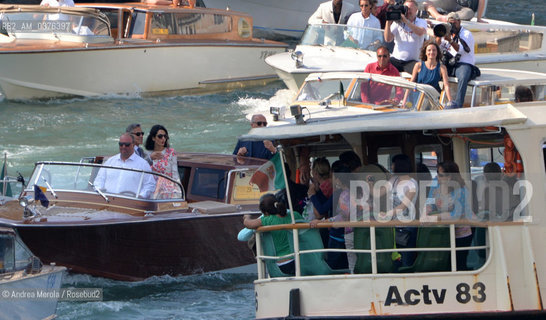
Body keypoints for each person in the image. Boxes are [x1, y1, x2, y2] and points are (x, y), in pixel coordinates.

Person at [425, 161, 473, 270]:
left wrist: (435, 217)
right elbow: (430, 201)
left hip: (460, 234)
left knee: (459, 264)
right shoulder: (435, 183)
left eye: (441, 175)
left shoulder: (461, 190)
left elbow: (456, 214)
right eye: (437, 173)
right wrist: (426, 211)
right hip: (443, 234)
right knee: (445, 264)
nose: (438, 177)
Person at [243, 194, 303, 276]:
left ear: (266, 213)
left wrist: (247, 217)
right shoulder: (295, 215)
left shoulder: (268, 220)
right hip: (301, 261)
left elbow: (248, 224)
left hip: (284, 265)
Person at [94, 133, 156, 198]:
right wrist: (99, 192)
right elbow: (99, 180)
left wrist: (141, 196)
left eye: (127, 145)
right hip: (106, 201)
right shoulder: (110, 161)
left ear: (133, 145)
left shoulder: (143, 164)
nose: (123, 147)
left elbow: (150, 185)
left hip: (130, 203)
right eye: (121, 144)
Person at [384, 0, 427, 74]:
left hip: (412, 61)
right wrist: (388, 22)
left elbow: (420, 32)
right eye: (406, 8)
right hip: (396, 59)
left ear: (416, 10)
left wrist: (406, 21)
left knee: (420, 73)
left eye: (410, 9)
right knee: (382, 65)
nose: (408, 11)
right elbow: (388, 39)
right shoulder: (397, 23)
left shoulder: (421, 22)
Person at [405, 41, 453, 106]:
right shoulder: (418, 65)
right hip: (418, 98)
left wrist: (450, 101)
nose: (431, 52)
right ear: (425, 52)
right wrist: (404, 100)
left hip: (433, 100)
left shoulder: (442, 68)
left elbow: (446, 85)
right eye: (429, 50)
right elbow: (411, 83)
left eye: (434, 50)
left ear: (437, 52)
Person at [145, 124, 182, 199]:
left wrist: (179, 188)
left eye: (165, 136)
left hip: (168, 186)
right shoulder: (148, 153)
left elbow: (175, 173)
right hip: (152, 185)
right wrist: (150, 158)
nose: (163, 139)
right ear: (153, 138)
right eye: (160, 136)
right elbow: (143, 169)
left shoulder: (171, 152)